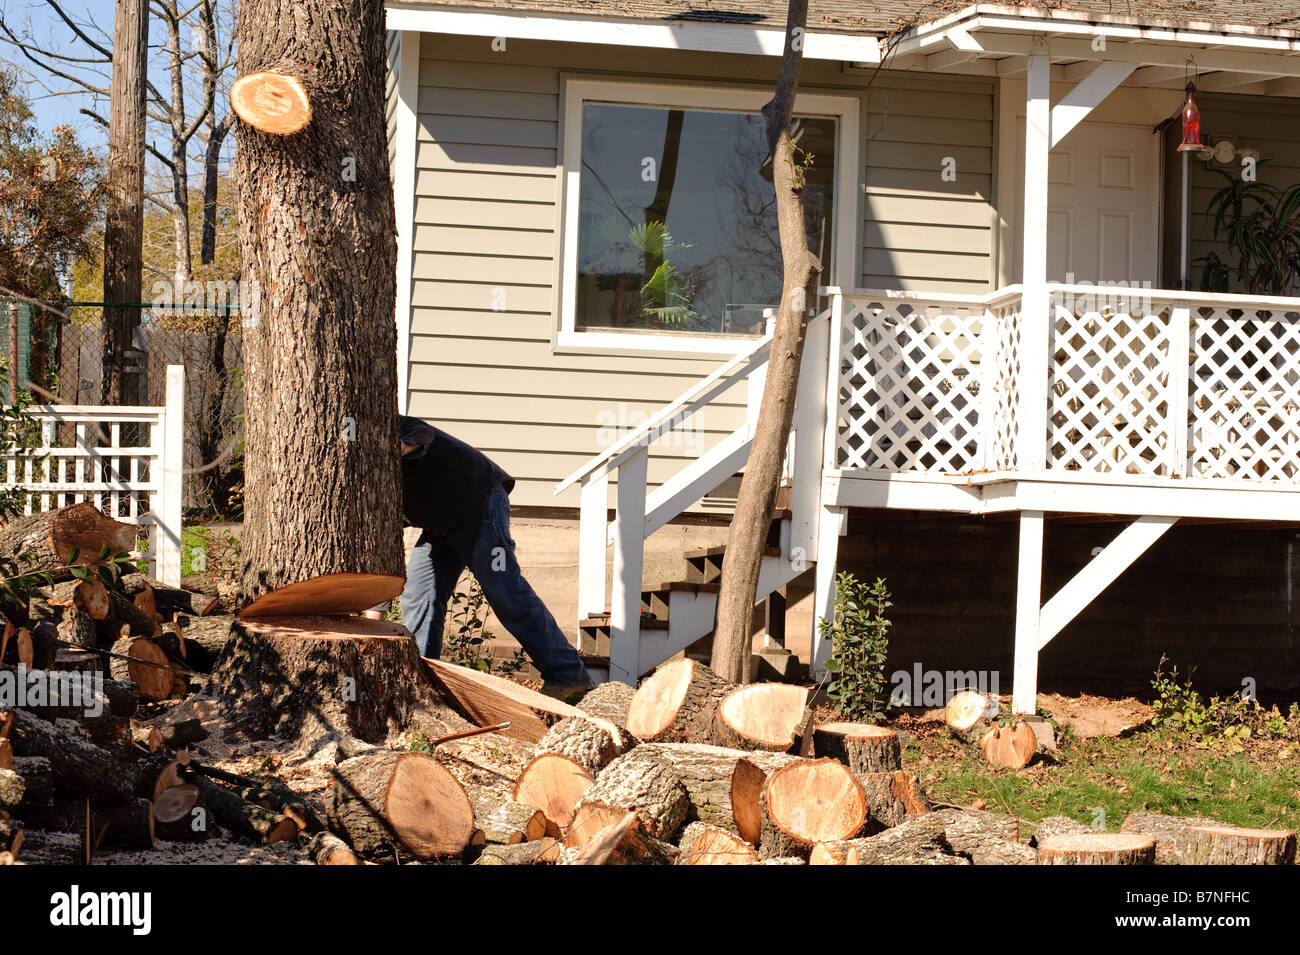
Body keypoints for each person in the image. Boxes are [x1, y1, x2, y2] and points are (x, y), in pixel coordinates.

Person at [386, 415, 593, 700]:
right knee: (418, 595)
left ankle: (568, 674)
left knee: (504, 589)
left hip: (479, 503)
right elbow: (381, 546)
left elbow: (421, 432)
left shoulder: (384, 423)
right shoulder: (359, 489)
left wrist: (389, 454)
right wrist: (375, 613)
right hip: (441, 525)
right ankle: (422, 687)